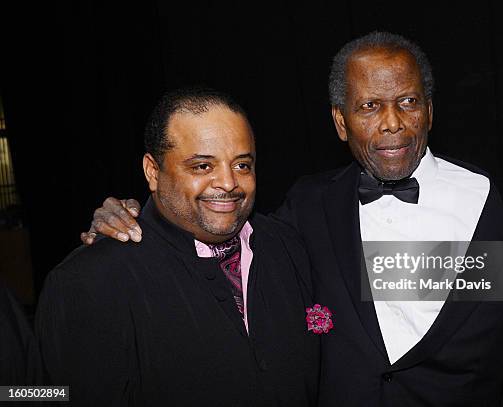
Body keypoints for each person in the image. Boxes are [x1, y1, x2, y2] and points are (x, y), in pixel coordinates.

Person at [80, 32, 503, 406]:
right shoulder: (307, 208)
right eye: (369, 106)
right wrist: (132, 212)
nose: (392, 122)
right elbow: (214, 225)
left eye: (407, 101)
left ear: (430, 111)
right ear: (341, 122)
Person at [36, 88, 319, 406]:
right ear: (152, 172)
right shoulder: (90, 281)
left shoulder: (288, 246)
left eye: (242, 165)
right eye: (202, 166)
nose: (228, 183)